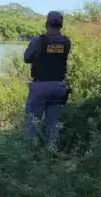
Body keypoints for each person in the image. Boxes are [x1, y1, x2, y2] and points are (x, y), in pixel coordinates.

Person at [23, 11, 72, 145]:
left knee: (31, 124)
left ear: (46, 23)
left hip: (40, 86)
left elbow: (26, 58)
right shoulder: (66, 42)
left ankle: (29, 154)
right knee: (53, 125)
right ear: (61, 25)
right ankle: (51, 154)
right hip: (59, 86)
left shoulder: (38, 40)